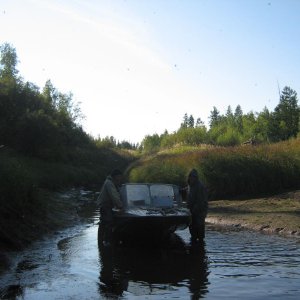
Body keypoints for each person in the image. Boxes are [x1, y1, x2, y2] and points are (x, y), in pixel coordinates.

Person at [97, 169, 124, 246]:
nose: (120, 178)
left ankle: (103, 239)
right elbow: (114, 196)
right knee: (109, 221)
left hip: (109, 205)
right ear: (115, 176)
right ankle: (106, 241)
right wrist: (121, 206)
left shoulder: (114, 182)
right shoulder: (109, 183)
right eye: (119, 176)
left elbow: (118, 194)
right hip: (105, 205)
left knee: (105, 222)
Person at [186, 169, 208, 242]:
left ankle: (201, 245)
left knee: (200, 227)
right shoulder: (190, 185)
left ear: (196, 177)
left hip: (200, 211)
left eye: (194, 177)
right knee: (192, 228)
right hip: (192, 210)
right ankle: (194, 241)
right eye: (191, 176)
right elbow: (188, 190)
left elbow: (201, 200)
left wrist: (194, 210)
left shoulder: (200, 186)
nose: (192, 178)